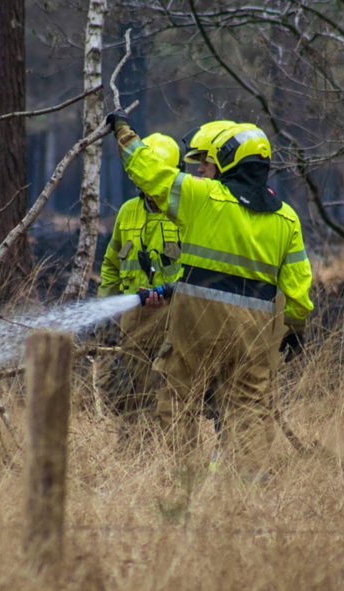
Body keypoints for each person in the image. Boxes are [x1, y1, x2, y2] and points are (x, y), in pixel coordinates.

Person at [105, 113, 314, 480]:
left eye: (208, 162)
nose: (202, 168)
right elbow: (298, 285)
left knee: (177, 399)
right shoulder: (287, 218)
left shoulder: (202, 196)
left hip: (199, 317)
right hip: (257, 326)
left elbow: (152, 175)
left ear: (229, 162)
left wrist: (125, 136)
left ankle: (188, 481)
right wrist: (294, 327)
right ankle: (247, 487)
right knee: (248, 406)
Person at [96, 133, 184, 421]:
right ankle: (133, 458)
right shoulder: (128, 212)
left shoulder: (186, 213)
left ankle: (171, 459)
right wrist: (106, 311)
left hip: (175, 321)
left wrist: (170, 291)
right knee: (128, 397)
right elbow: (111, 263)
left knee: (170, 397)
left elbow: (201, 268)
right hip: (133, 319)